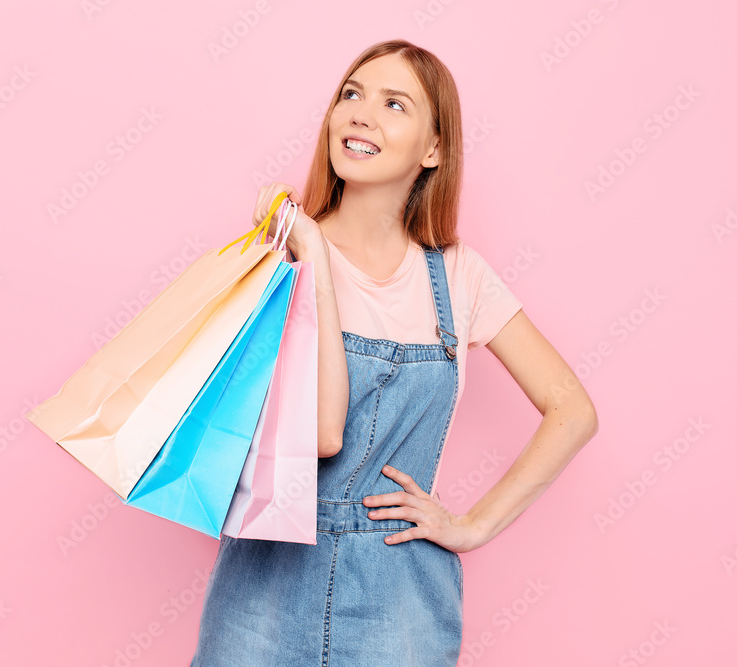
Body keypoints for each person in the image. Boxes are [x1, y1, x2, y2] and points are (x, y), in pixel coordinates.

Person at [190, 39, 598, 666]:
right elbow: (325, 435)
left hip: (399, 593)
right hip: (266, 583)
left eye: (393, 104)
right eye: (350, 95)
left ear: (433, 150)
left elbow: (573, 409)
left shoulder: (460, 278)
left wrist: (475, 524)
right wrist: (315, 260)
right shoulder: (274, 262)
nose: (360, 113)